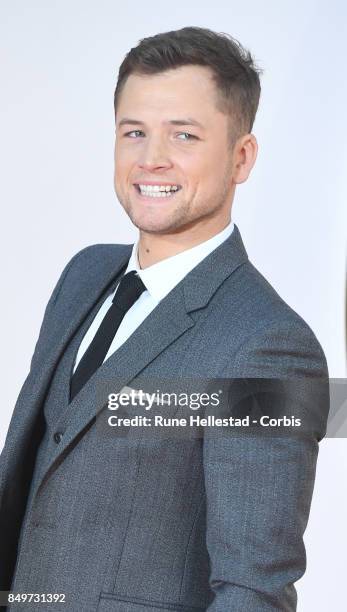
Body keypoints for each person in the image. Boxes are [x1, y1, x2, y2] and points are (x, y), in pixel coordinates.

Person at [0, 26, 329, 611]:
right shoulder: (84, 274)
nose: (151, 159)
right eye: (134, 132)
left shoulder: (273, 346)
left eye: (184, 134)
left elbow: (253, 591)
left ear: (241, 156)